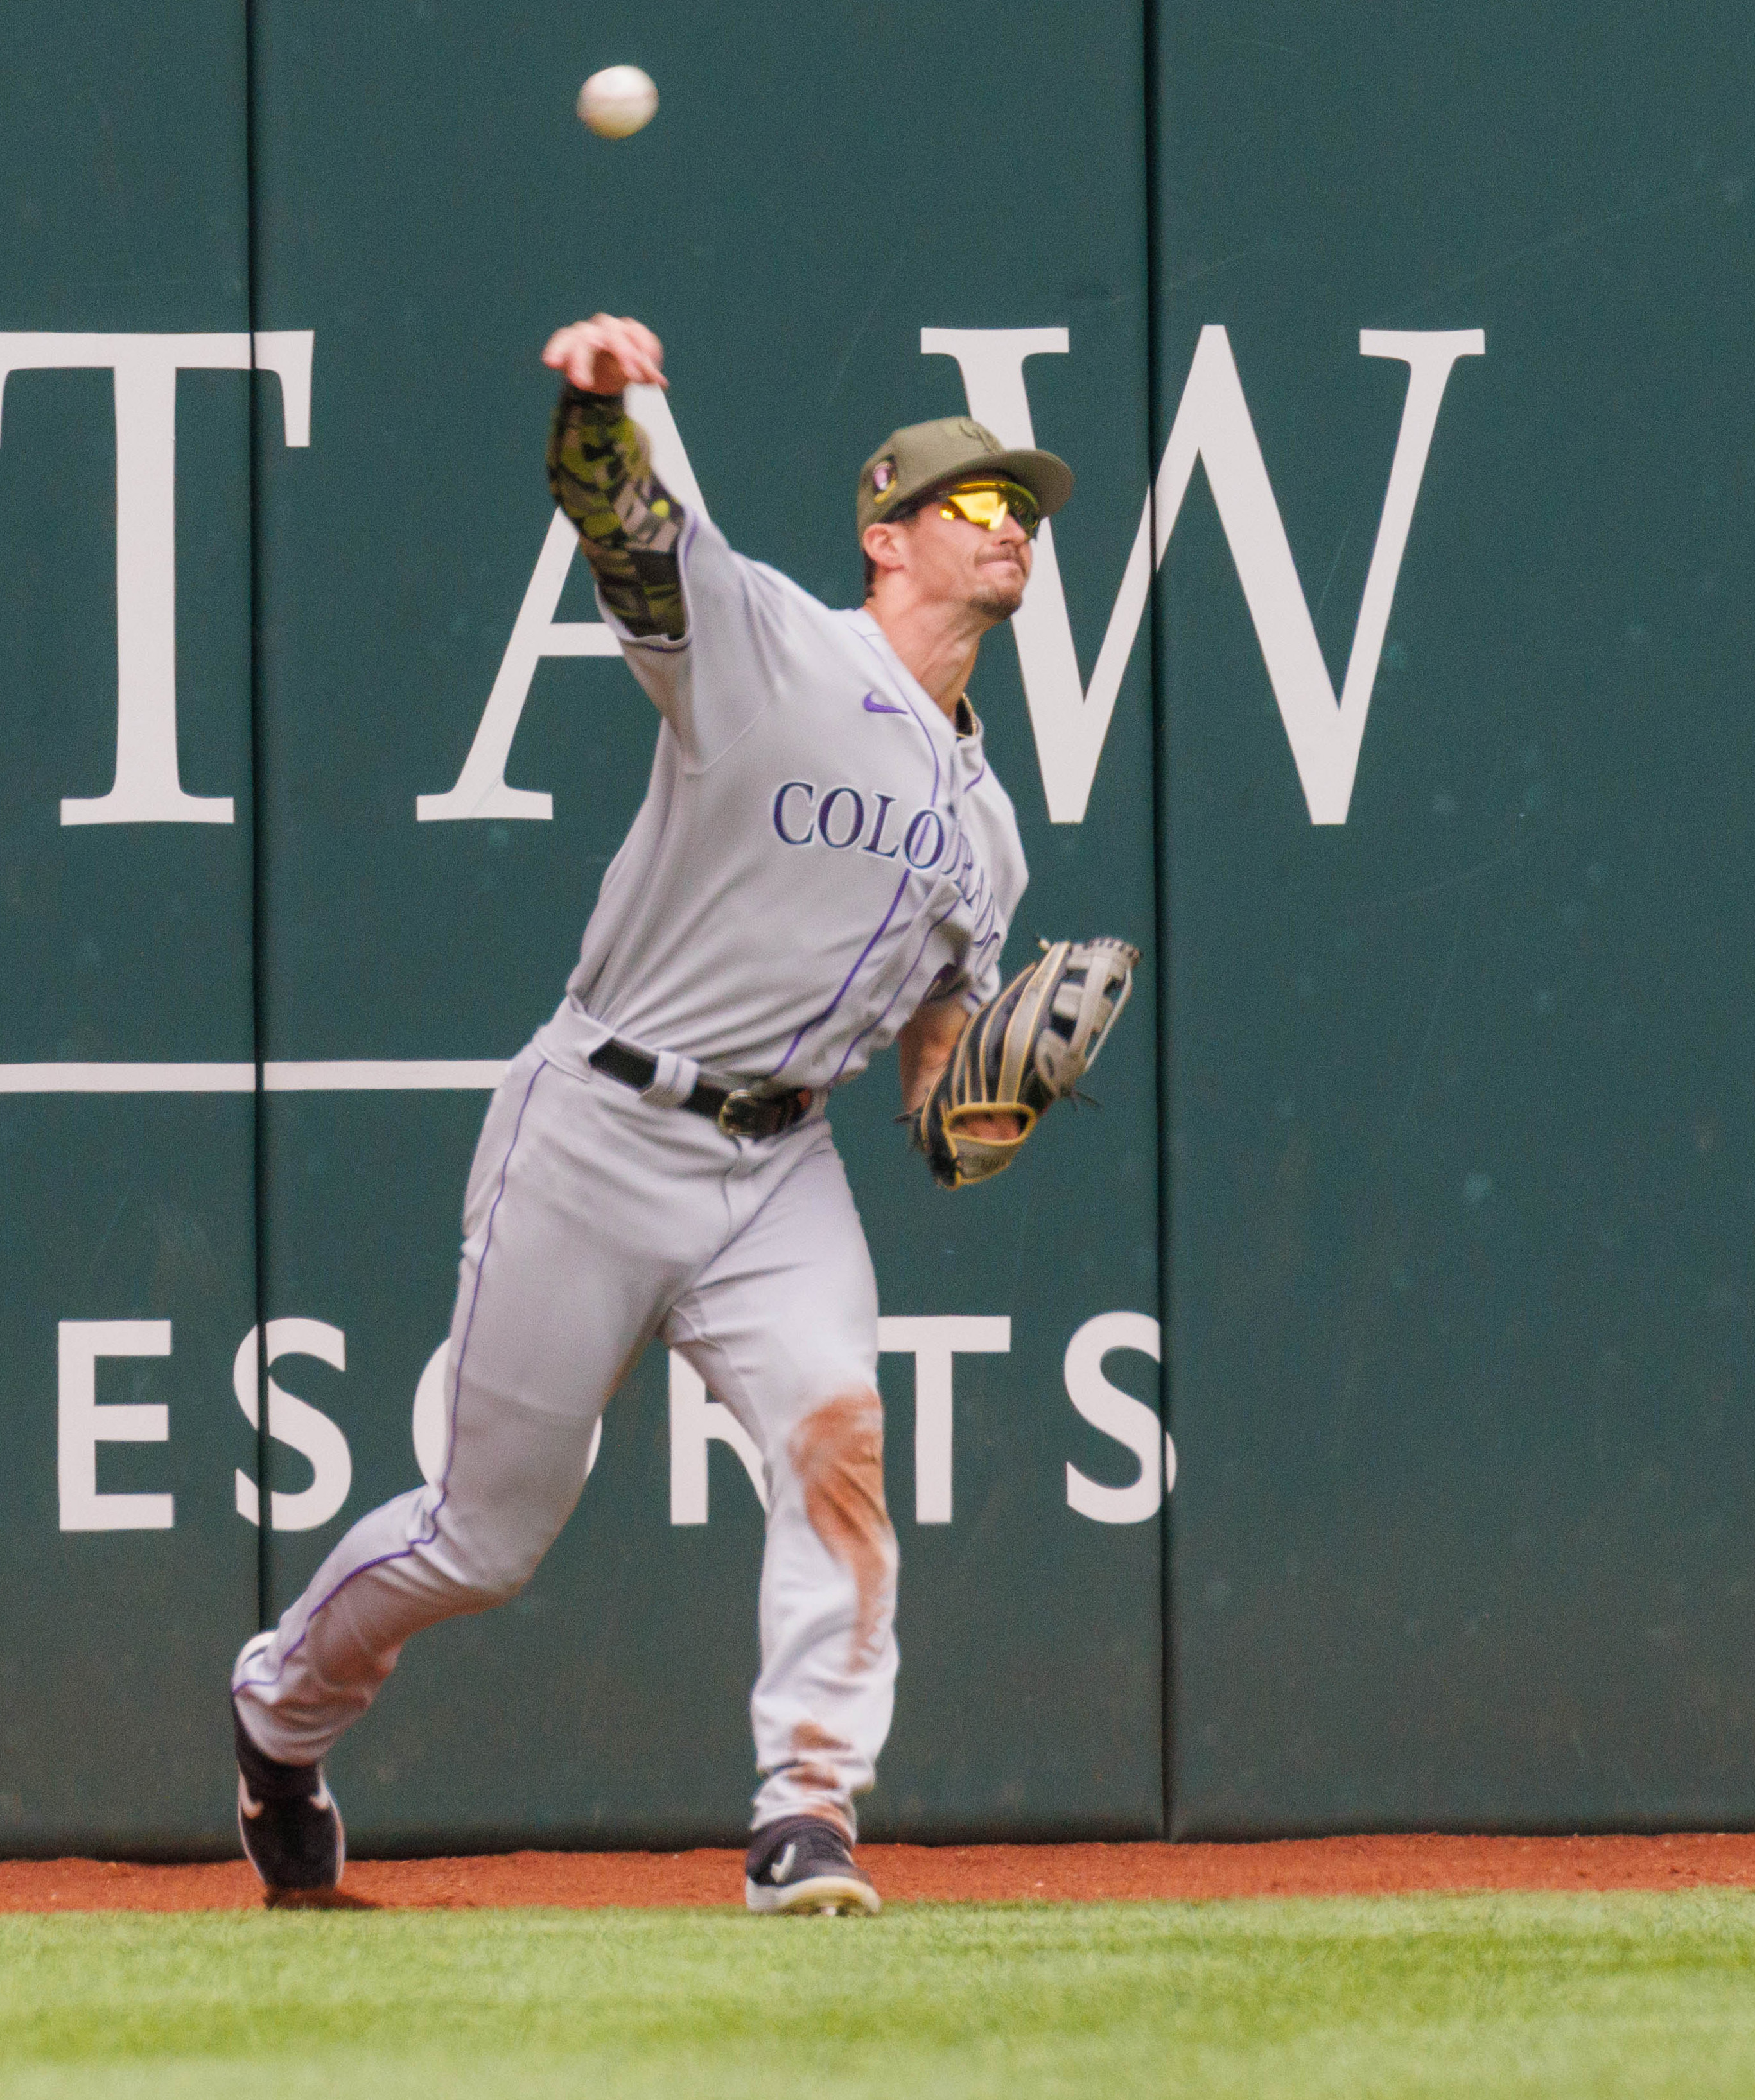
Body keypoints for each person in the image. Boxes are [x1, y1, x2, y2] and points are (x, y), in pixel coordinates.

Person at [227, 312, 1096, 1914]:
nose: (1012, 530)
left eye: (1026, 511)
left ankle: (807, 1817)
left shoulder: (993, 838)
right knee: (482, 1541)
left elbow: (933, 1075)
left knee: (840, 1437)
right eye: (977, 506)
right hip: (604, 1122)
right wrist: (600, 416)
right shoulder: (776, 648)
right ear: (885, 539)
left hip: (781, 1166)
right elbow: (631, 543)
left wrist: (984, 1099)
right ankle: (281, 1711)